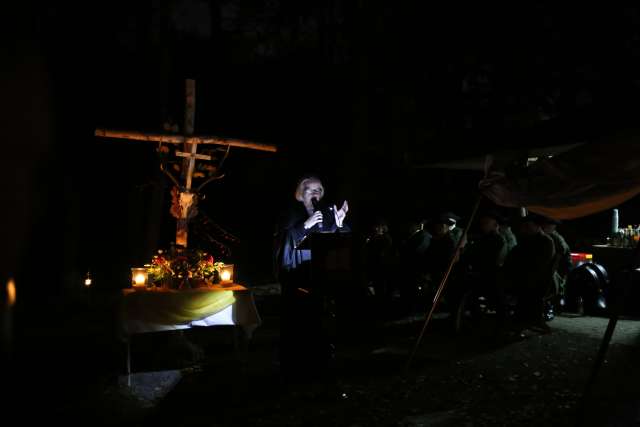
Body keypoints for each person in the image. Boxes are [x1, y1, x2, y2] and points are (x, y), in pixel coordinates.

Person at [273, 175, 349, 381]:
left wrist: (340, 224)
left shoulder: (327, 214)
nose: (314, 192)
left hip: (321, 276)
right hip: (298, 278)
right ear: (300, 193)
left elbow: (337, 245)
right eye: (309, 189)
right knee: (298, 322)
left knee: (321, 321)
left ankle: (321, 362)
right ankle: (295, 366)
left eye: (318, 189)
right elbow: (283, 243)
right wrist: (304, 226)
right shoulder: (290, 213)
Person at [499, 214, 556, 334]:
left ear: (537, 226)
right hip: (524, 276)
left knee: (525, 289)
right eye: (524, 226)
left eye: (528, 226)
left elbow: (539, 265)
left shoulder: (545, 241)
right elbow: (514, 256)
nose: (525, 229)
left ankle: (522, 322)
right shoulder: (526, 240)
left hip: (537, 280)